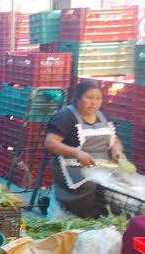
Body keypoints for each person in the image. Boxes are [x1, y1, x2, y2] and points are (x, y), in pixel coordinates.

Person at [44, 80, 127, 219]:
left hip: (102, 165)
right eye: (89, 98)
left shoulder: (102, 116)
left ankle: (110, 218)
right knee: (88, 185)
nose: (94, 103)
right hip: (72, 165)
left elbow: (114, 140)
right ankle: (88, 218)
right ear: (77, 98)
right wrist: (77, 153)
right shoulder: (66, 116)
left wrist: (117, 151)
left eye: (98, 98)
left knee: (122, 183)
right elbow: (50, 143)